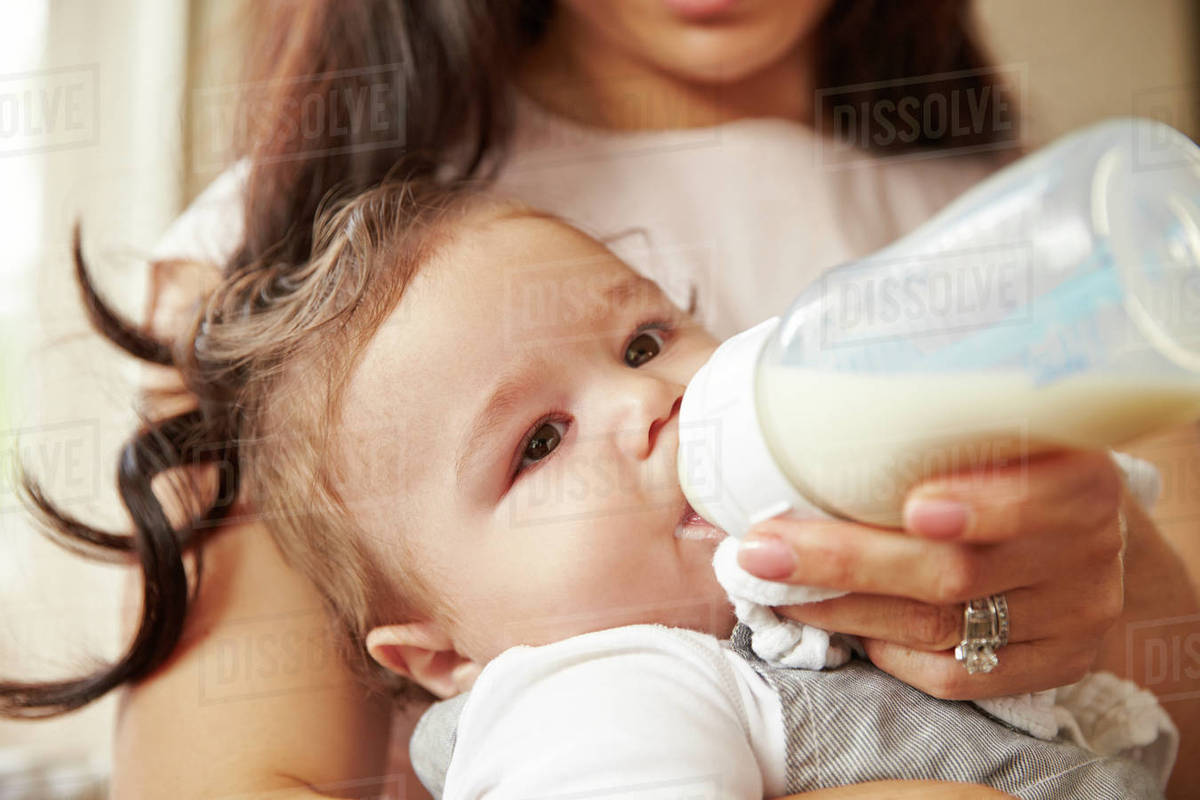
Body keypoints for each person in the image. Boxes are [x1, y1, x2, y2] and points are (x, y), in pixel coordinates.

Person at [4, 1, 1198, 798]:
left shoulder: (1065, 241)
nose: (655, 410)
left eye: (646, 337)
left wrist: (1096, 581)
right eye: (533, 441)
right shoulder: (287, 283)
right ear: (432, 652)